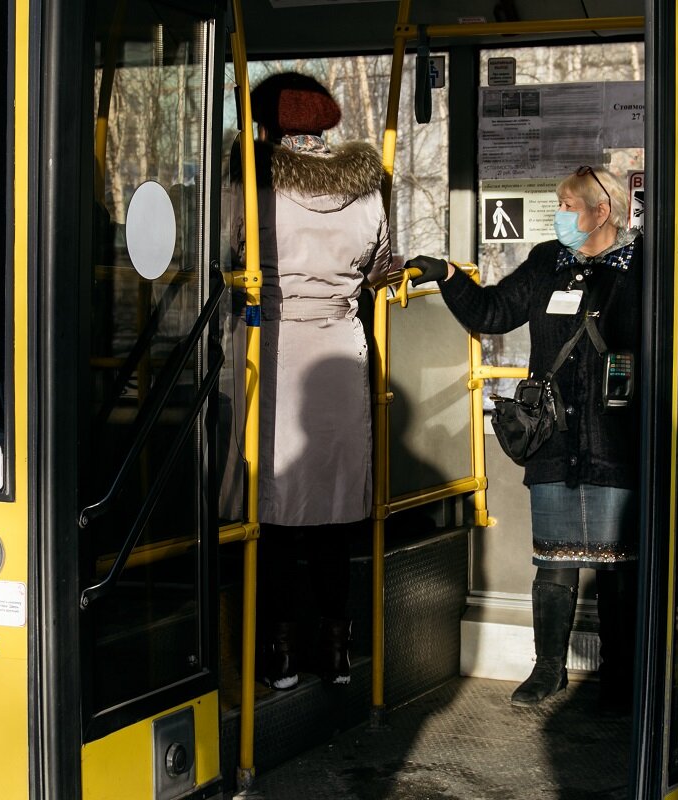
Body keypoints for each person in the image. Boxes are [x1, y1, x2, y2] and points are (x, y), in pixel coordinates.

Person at [406, 166, 641, 713]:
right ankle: (548, 671)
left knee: (618, 569)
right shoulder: (545, 263)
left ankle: (622, 677)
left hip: (615, 441)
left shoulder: (639, 271)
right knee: (554, 564)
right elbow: (492, 312)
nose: (558, 213)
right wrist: (445, 273)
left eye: (566, 204)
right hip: (555, 440)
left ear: (600, 212)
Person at [231, 71, 396, 689]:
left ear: (268, 121)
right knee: (333, 508)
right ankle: (333, 648)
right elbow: (381, 267)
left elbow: (227, 254)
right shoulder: (367, 188)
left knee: (269, 512)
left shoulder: (252, 181)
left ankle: (272, 654)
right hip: (341, 352)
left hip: (271, 347)